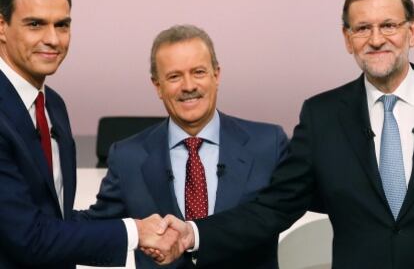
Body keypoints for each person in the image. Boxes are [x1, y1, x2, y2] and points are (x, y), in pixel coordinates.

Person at [145, 0, 414, 269]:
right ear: (348, 39)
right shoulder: (321, 116)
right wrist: (193, 233)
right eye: (363, 28)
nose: (376, 39)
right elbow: (274, 207)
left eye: (388, 25)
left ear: (411, 32)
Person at [0, 0, 176, 269]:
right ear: (2, 26)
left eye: (62, 25)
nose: (53, 39)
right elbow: (29, 237)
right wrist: (135, 232)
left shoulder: (53, 105)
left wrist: (141, 228)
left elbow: (57, 221)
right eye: (35, 24)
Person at [79, 24, 289, 268]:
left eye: (198, 72)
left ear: (216, 75)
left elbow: (280, 212)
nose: (188, 86)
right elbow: (98, 230)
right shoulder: (127, 157)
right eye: (174, 76)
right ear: (157, 86)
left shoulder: (267, 144)